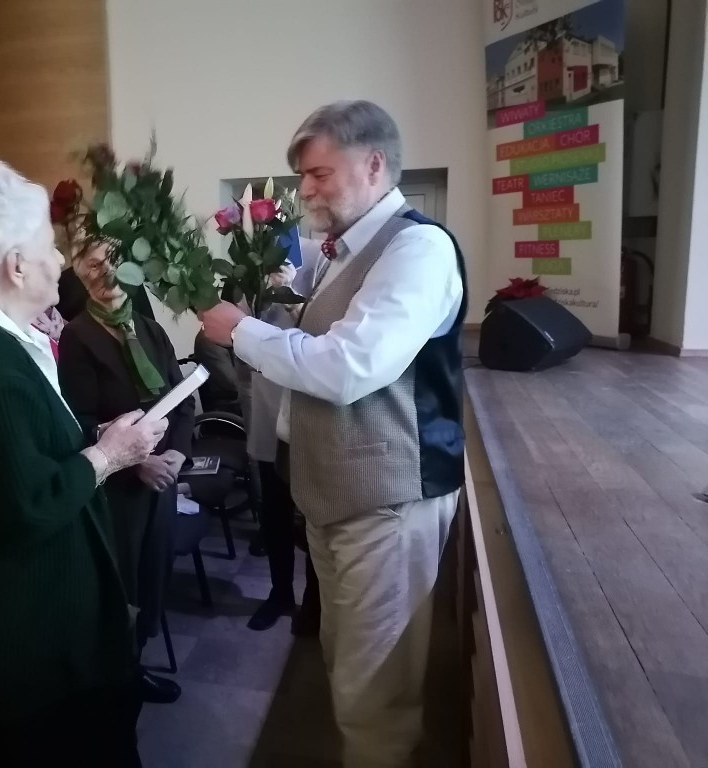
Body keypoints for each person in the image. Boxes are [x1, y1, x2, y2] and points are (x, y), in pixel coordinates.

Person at [200, 100, 467, 767]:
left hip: (390, 498)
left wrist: (240, 330)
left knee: (376, 692)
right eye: (303, 177)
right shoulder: (337, 255)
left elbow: (349, 367)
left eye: (319, 174)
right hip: (338, 497)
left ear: (374, 164)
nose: (306, 191)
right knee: (349, 665)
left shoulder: (418, 248)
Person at [0, 158, 167, 767]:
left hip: (38, 634)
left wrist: (93, 438)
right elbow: (20, 507)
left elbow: (25, 448)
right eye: (51, 247)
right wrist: (108, 455)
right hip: (24, 659)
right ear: (16, 265)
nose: (60, 262)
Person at [58, 242, 194, 705]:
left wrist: (178, 454)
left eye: (114, 260)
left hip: (162, 479)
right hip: (118, 486)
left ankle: (136, 664)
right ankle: (121, 677)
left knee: (154, 574)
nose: (107, 272)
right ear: (80, 275)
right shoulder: (77, 337)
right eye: (93, 265)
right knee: (124, 584)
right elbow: (80, 421)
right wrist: (137, 462)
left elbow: (181, 401)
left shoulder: (150, 328)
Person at [246, 246, 321, 635]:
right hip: (267, 404)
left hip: (308, 409)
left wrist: (291, 293)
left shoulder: (323, 261)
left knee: (312, 516)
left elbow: (328, 339)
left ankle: (314, 601)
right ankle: (279, 594)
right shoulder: (248, 262)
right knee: (273, 513)